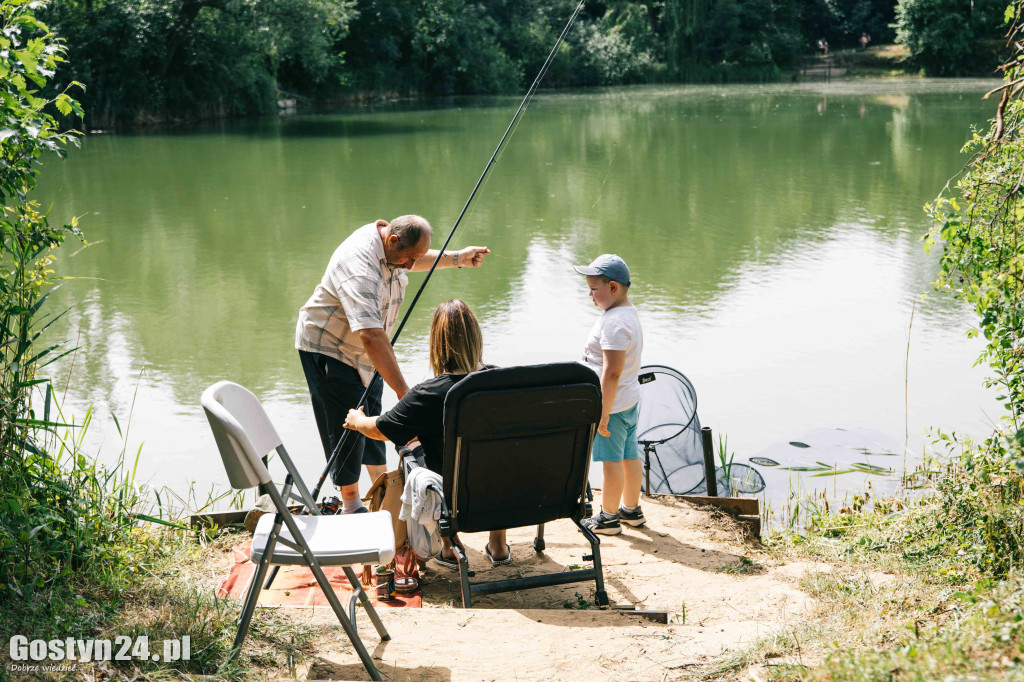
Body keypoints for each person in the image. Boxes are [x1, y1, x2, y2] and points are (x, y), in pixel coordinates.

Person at [296, 216, 490, 514]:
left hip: (371, 349)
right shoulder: (358, 264)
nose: (411, 265)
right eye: (408, 258)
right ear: (392, 240)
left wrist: (456, 258)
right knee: (347, 424)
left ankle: (383, 493)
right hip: (332, 347)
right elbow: (370, 335)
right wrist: (405, 393)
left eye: (415, 258)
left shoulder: (394, 249)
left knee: (376, 418)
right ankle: (352, 505)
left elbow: (416, 257)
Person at [342, 299, 511, 566]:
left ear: (437, 344)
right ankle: (498, 545)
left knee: (410, 450)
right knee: (496, 458)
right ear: (477, 338)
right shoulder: (505, 381)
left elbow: (380, 429)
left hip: (455, 499)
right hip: (509, 493)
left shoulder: (428, 393)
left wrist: (357, 420)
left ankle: (449, 546)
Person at [573, 254, 645, 536]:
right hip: (627, 400)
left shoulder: (614, 323)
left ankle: (609, 518)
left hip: (611, 407)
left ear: (613, 287)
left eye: (594, 289)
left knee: (611, 462)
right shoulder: (627, 313)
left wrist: (602, 413)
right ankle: (631, 510)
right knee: (629, 455)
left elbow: (612, 372)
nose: (590, 295)